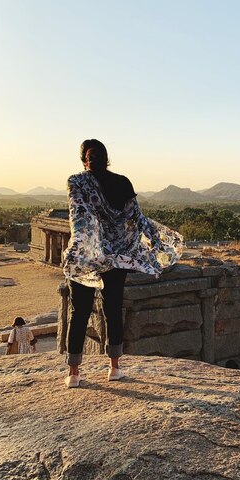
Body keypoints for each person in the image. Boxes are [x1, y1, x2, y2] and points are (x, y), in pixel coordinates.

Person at [63, 139, 183, 388]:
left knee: (80, 311)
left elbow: (80, 219)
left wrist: (80, 251)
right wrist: (157, 243)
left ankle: (74, 373)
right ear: (107, 158)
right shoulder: (122, 182)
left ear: (84, 159)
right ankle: (114, 368)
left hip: (89, 255)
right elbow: (137, 218)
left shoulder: (77, 182)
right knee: (113, 309)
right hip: (118, 256)